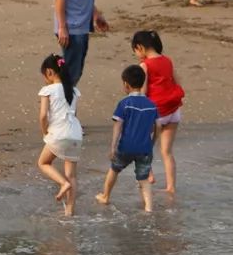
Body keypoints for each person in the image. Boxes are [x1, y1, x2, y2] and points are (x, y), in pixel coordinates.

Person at [95, 65, 160, 212]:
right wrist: (153, 141)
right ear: (143, 83)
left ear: (126, 84)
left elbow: (118, 125)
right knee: (143, 179)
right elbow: (158, 126)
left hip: (126, 147)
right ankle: (149, 208)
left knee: (114, 170)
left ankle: (105, 196)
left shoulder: (124, 104)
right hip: (145, 148)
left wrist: (113, 146)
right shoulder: (151, 105)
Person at [131, 30, 184, 194]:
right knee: (167, 152)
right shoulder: (167, 60)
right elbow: (177, 81)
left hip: (157, 112)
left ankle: (149, 176)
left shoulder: (145, 65)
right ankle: (171, 187)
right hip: (173, 110)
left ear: (140, 47)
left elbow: (144, 90)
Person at [37, 53, 84, 217]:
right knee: (72, 174)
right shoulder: (73, 90)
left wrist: (45, 132)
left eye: (44, 75)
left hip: (59, 132)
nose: (44, 79)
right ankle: (69, 211)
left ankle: (62, 183)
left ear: (50, 72)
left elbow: (43, 115)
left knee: (43, 162)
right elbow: (74, 114)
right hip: (76, 134)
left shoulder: (48, 90)